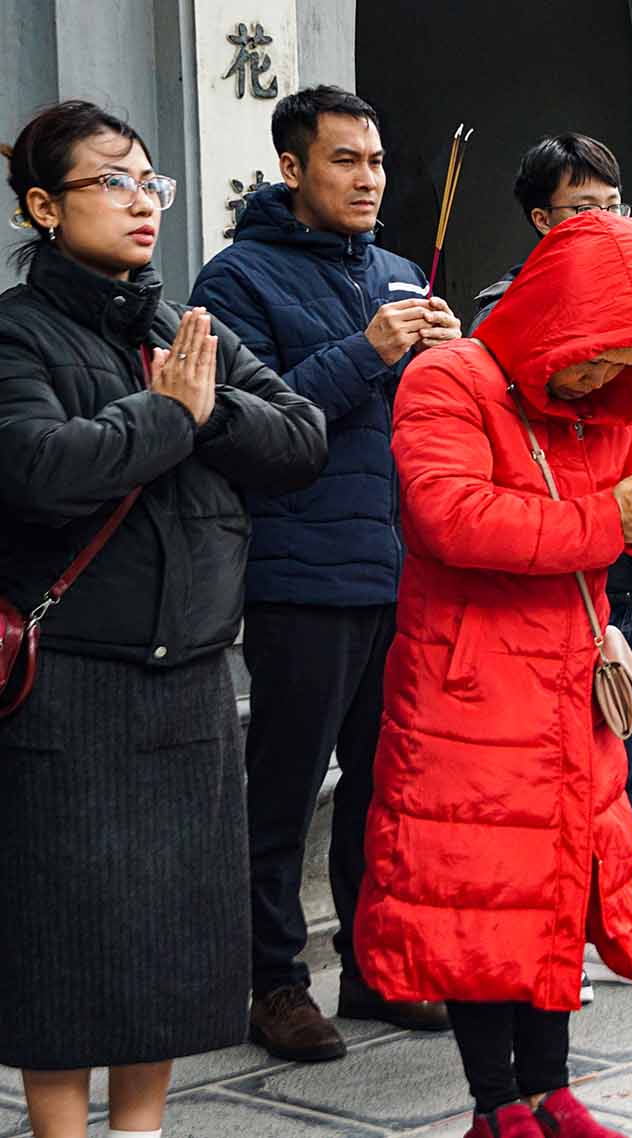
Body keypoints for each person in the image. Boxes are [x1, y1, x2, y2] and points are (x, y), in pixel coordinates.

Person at [0, 101, 326, 1138]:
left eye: (152, 183)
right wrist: (167, 415)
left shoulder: (183, 326)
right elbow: (42, 471)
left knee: (166, 944)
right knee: (63, 945)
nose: (143, 202)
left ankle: (139, 1131)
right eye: (115, 182)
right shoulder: (14, 333)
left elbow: (301, 437)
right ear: (45, 206)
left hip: (188, 677)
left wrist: (207, 407)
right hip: (69, 686)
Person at [355, 211, 632, 1138]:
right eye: (598, 355)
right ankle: (493, 1103)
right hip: (469, 687)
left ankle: (551, 1088)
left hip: (570, 685)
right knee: (481, 892)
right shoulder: (449, 379)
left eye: (630, 360)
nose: (605, 378)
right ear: (556, 319)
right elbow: (449, 518)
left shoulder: (612, 404)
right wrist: (609, 520)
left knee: (559, 887)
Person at [190, 84, 461, 1060]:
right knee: (285, 790)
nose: (368, 178)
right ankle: (272, 982)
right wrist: (367, 350)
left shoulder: (397, 269)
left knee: (390, 791)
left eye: (377, 160)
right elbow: (249, 429)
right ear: (293, 169)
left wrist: (454, 364)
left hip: (406, 571)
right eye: (345, 160)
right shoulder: (235, 280)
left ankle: (377, 966)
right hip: (302, 575)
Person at [471, 131, 632, 993]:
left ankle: (612, 918)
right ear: (540, 221)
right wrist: (612, 490)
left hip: (628, 577)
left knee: (619, 763)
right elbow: (481, 497)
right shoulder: (496, 328)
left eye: (615, 207)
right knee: (548, 778)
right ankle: (551, 934)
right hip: (545, 589)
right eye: (581, 210)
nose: (603, 223)